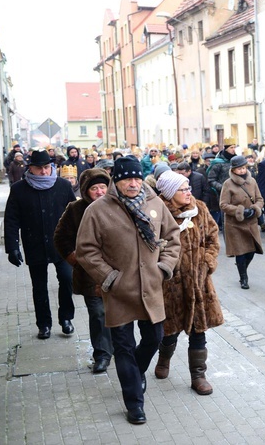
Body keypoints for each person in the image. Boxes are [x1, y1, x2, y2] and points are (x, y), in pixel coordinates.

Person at [76, 155, 181, 425]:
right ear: (116, 181)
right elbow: (86, 250)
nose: (133, 183)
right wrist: (109, 277)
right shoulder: (98, 210)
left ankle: (136, 371)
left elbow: (172, 238)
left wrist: (164, 267)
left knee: (154, 339)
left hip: (151, 288)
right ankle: (134, 403)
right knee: (123, 348)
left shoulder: (155, 203)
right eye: (126, 179)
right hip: (119, 291)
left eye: (136, 178)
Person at [153, 170, 223, 396]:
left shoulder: (199, 209)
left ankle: (198, 375)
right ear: (170, 192)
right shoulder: (159, 213)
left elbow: (213, 237)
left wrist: (207, 261)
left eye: (188, 188)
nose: (188, 192)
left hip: (198, 282)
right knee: (169, 330)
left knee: (198, 330)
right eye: (182, 189)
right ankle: (164, 359)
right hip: (170, 284)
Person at [4, 148, 77, 340]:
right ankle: (44, 324)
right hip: (34, 242)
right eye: (39, 168)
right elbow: (12, 219)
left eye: (46, 167)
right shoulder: (19, 189)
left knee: (67, 279)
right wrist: (12, 247)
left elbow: (75, 215)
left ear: (51, 167)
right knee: (39, 286)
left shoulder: (62, 185)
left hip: (62, 244)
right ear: (31, 169)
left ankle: (66, 318)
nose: (43, 172)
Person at [53, 168, 113, 373]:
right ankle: (102, 354)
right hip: (91, 274)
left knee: (118, 312)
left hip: (119, 272)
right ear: (86, 191)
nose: (99, 192)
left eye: (103, 187)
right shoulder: (75, 209)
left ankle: (120, 349)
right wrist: (75, 259)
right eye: (94, 188)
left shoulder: (120, 205)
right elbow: (60, 237)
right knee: (97, 313)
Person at [221, 155, 264, 289]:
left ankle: (242, 267)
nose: (242, 170)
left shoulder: (252, 181)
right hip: (235, 224)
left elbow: (260, 199)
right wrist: (240, 211)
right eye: (239, 169)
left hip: (250, 222)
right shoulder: (228, 184)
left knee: (251, 251)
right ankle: (243, 278)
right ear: (233, 170)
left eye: (244, 168)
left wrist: (255, 208)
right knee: (240, 252)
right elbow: (223, 204)